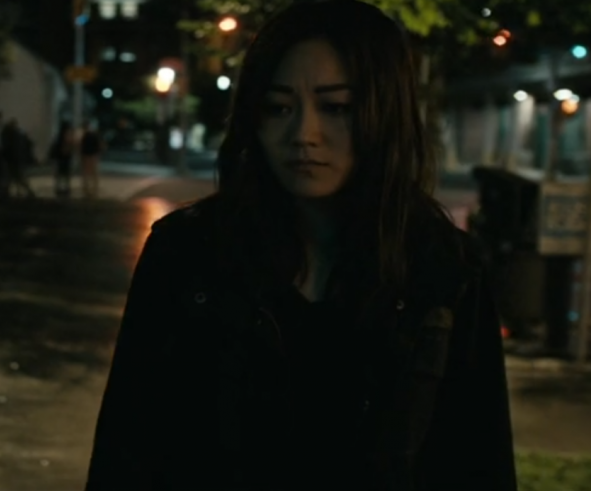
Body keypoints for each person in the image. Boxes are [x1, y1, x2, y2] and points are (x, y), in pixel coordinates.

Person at [85, 2, 517, 490]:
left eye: (336, 108)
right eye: (278, 107)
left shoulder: (444, 269)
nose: (303, 135)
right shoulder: (188, 252)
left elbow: (479, 463)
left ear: (383, 114)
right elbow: (127, 450)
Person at [1, 118, 35, 198]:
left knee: (13, 177)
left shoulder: (9, 135)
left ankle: (7, 191)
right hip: (16, 159)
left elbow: (7, 147)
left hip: (11, 159)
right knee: (17, 177)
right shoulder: (18, 134)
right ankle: (23, 191)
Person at [49, 121, 75, 197]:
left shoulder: (58, 137)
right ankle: (66, 188)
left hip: (60, 158)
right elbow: (69, 148)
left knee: (59, 174)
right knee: (66, 174)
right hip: (65, 158)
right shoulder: (67, 136)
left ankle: (59, 188)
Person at [80, 121, 104, 198]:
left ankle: (87, 189)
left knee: (86, 173)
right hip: (93, 155)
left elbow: (81, 146)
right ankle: (94, 189)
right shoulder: (93, 135)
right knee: (94, 173)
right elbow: (98, 145)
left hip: (87, 155)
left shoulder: (84, 136)